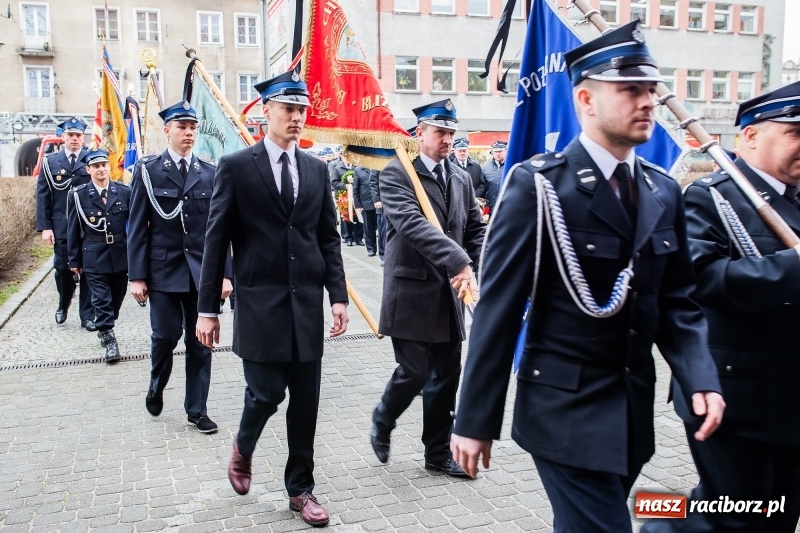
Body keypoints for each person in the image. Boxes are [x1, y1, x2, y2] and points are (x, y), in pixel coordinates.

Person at [450, 21, 725, 532]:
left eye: (651, 89)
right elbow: (498, 310)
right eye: (630, 90)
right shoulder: (539, 187)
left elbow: (679, 303)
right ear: (585, 99)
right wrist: (473, 420)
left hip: (631, 413)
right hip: (564, 411)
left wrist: (700, 377)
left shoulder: (663, 190)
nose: (648, 102)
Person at [641, 81, 800, 533]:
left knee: (776, 517)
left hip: (791, 399)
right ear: (750, 135)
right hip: (736, 394)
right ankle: (660, 524)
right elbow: (701, 281)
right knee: (736, 516)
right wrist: (793, 266)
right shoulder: (710, 197)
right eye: (795, 133)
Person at [195, 71, 348, 528]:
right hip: (260, 303)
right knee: (266, 393)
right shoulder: (237, 166)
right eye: (288, 109)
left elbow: (328, 238)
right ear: (267, 111)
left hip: (306, 306)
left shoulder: (317, 169)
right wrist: (207, 308)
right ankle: (243, 446)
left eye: (302, 109)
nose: (297, 117)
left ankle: (301, 489)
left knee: (306, 402)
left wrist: (338, 296)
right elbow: (216, 241)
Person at [370, 98, 485, 477]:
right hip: (411, 291)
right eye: (440, 132)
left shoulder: (461, 177)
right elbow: (412, 225)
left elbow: (474, 229)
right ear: (420, 133)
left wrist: (477, 268)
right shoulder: (397, 173)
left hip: (450, 294)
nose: (448, 139)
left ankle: (437, 452)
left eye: (451, 132)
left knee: (447, 376)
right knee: (415, 371)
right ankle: (384, 417)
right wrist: (459, 260)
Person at [127, 100, 232, 434]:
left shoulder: (210, 172)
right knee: (165, 336)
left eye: (193, 127)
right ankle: (156, 385)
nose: (188, 133)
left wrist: (226, 273)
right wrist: (137, 276)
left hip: (201, 273)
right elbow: (136, 226)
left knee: (201, 341)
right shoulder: (148, 171)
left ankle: (197, 410)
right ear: (167, 130)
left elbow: (220, 230)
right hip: (162, 271)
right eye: (182, 127)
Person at [66, 149, 131, 363]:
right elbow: (73, 229)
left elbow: (135, 225)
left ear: (109, 166)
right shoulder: (78, 195)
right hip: (93, 254)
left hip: (120, 253)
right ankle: (109, 338)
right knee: (101, 299)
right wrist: (74, 260)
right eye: (96, 166)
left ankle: (106, 325)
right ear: (88, 170)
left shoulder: (124, 191)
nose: (101, 169)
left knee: (116, 297)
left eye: (103, 165)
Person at [36, 117, 95, 330]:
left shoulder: (92, 159)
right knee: (62, 270)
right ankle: (64, 303)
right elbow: (43, 196)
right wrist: (45, 227)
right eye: (70, 135)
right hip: (62, 226)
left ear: (83, 138)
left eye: (78, 135)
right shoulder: (50, 162)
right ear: (63, 137)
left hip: (88, 225)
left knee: (88, 270)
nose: (74, 139)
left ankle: (87, 315)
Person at [330, 154, 364, 246]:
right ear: (342, 157)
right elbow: (334, 183)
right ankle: (348, 237)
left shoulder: (356, 167)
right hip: (345, 197)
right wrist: (345, 186)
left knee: (358, 215)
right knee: (346, 217)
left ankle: (359, 238)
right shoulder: (338, 169)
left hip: (356, 196)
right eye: (345, 156)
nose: (348, 158)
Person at [352, 165, 379, 257]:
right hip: (366, 203)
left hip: (379, 201)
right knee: (368, 228)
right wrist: (358, 204)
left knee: (381, 227)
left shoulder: (377, 166)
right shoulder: (359, 170)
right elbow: (355, 188)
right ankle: (371, 248)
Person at [480, 140, 506, 213]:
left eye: (500, 151)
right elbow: (482, 187)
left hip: (507, 205)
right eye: (495, 152)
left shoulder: (510, 166)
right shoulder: (485, 168)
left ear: (505, 151)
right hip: (490, 207)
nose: (497, 154)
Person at [368, 169, 386, 265]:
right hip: (382, 202)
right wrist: (377, 200)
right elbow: (373, 183)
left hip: (394, 199)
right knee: (383, 230)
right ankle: (383, 255)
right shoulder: (377, 164)